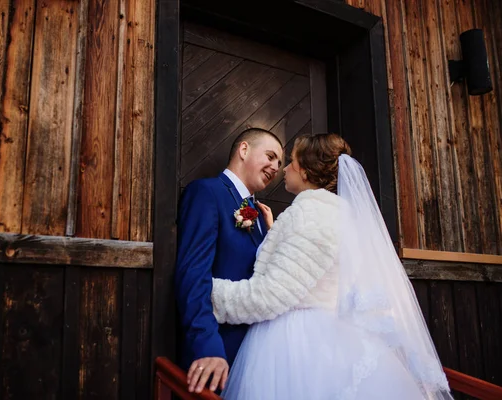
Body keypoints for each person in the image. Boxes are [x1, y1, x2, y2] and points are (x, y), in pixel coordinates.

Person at [210, 133, 453, 399]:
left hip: (298, 344)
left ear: (305, 171)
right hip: (335, 336)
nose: (285, 169)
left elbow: (271, 295)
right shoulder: (343, 214)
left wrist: (208, 292)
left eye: (290, 162)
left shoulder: (310, 213)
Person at [174, 127, 283, 394]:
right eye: (270, 156)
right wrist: (206, 345)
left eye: (280, 164)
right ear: (243, 150)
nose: (275, 167)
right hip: (218, 356)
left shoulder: (258, 216)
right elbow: (193, 274)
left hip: (255, 358)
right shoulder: (207, 192)